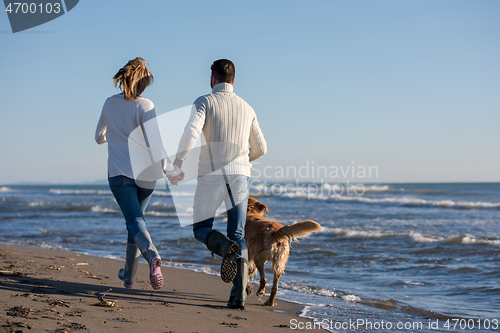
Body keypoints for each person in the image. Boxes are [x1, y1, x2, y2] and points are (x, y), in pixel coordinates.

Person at [169, 59, 267, 309]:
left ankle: (225, 248)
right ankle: (238, 297)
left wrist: (178, 163)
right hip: (240, 176)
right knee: (238, 234)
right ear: (234, 81)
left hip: (211, 175)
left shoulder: (205, 101)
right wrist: (244, 160)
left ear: (212, 80)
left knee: (201, 227)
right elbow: (262, 149)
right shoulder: (248, 108)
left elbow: (191, 131)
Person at [95, 57, 181, 290]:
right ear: (144, 83)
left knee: (134, 221)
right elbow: (156, 144)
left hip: (119, 174)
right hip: (147, 175)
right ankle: (129, 277)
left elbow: (98, 137)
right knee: (136, 222)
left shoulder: (109, 103)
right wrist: (171, 169)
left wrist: (112, 136)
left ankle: (152, 254)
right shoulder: (146, 106)